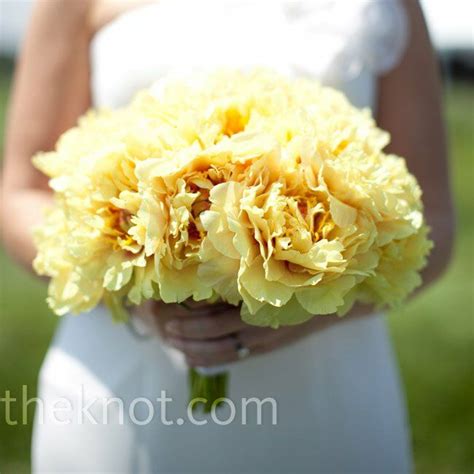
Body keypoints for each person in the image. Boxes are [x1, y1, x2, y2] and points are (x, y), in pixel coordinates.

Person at [1, 0, 454, 472]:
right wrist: (133, 285)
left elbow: (432, 221)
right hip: (124, 382)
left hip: (326, 382)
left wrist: (313, 306)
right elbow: (22, 194)